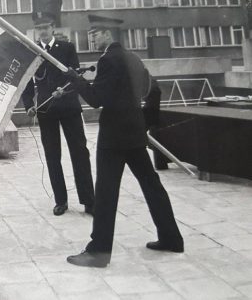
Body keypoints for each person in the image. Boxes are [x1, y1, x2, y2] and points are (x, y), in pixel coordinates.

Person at [65, 15, 183, 268]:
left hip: (114, 138)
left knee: (106, 193)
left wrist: (76, 81)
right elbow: (154, 90)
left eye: (95, 32)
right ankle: (171, 238)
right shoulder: (133, 58)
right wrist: (146, 122)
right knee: (152, 185)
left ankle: (98, 252)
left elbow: (97, 98)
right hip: (134, 134)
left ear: (108, 34)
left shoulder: (108, 59)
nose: (91, 36)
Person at [22, 21, 94, 216]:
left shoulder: (67, 48)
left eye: (46, 27)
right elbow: (27, 83)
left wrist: (65, 91)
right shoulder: (34, 52)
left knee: (80, 153)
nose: (43, 31)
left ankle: (89, 201)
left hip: (69, 107)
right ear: (36, 31)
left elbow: (75, 76)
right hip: (47, 112)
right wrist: (29, 105)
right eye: (39, 28)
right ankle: (60, 201)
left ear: (53, 29)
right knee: (53, 157)